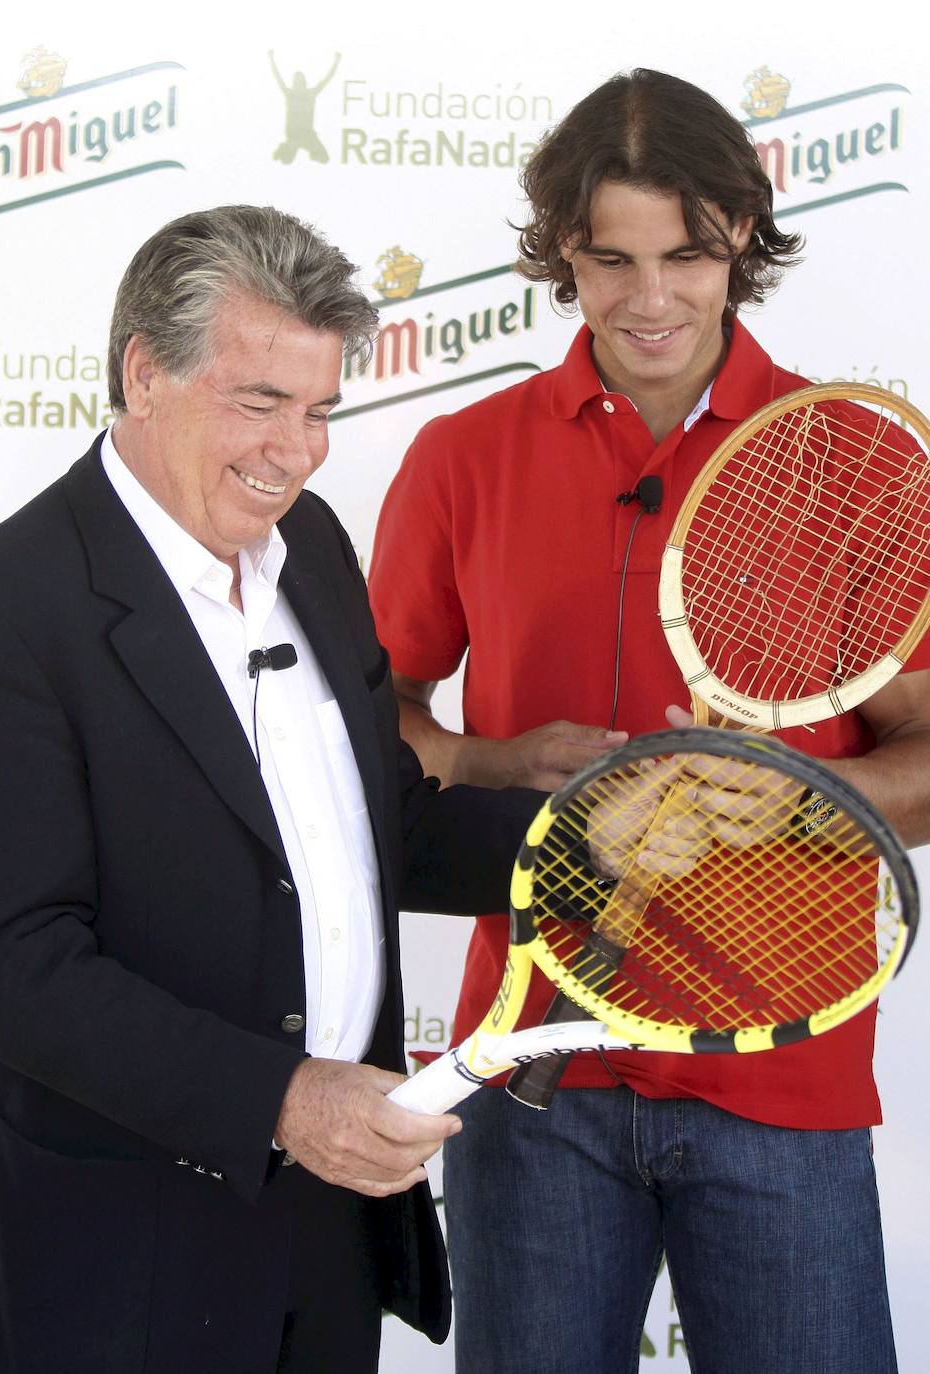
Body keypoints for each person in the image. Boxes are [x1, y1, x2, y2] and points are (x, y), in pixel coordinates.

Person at [0, 206, 547, 1374]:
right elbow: (12, 965)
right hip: (119, 1267)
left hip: (326, 1239)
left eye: (316, 411)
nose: (297, 452)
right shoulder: (1, 613)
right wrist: (281, 1098)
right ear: (143, 373)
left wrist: (589, 843)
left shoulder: (310, 548)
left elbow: (381, 828)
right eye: (260, 403)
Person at [368, 69, 930, 1374]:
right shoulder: (462, 457)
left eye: (687, 254)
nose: (647, 297)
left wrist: (800, 796)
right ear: (560, 250)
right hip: (528, 1070)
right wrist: (500, 764)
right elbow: (372, 731)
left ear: (741, 232)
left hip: (778, 1079)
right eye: (606, 258)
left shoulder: (854, 461)